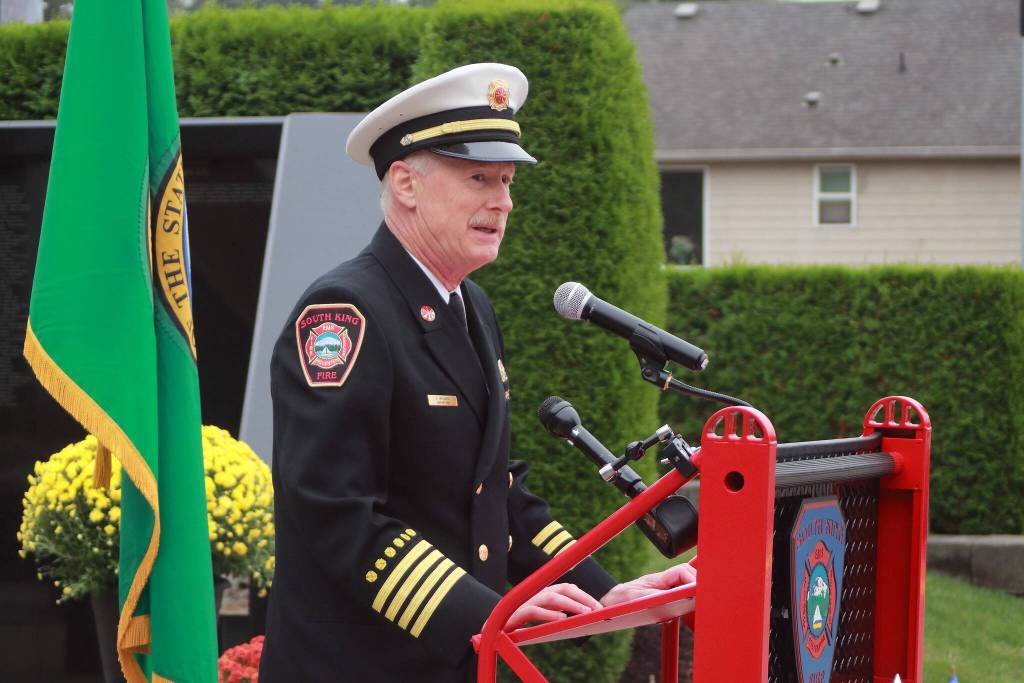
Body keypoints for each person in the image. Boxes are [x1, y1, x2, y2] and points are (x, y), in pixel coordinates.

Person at [259, 63, 695, 682]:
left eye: (507, 181)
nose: (503, 201)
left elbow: (494, 493)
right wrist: (485, 612)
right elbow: (334, 511)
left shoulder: (471, 307)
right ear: (405, 184)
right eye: (479, 178)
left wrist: (603, 593)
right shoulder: (345, 313)